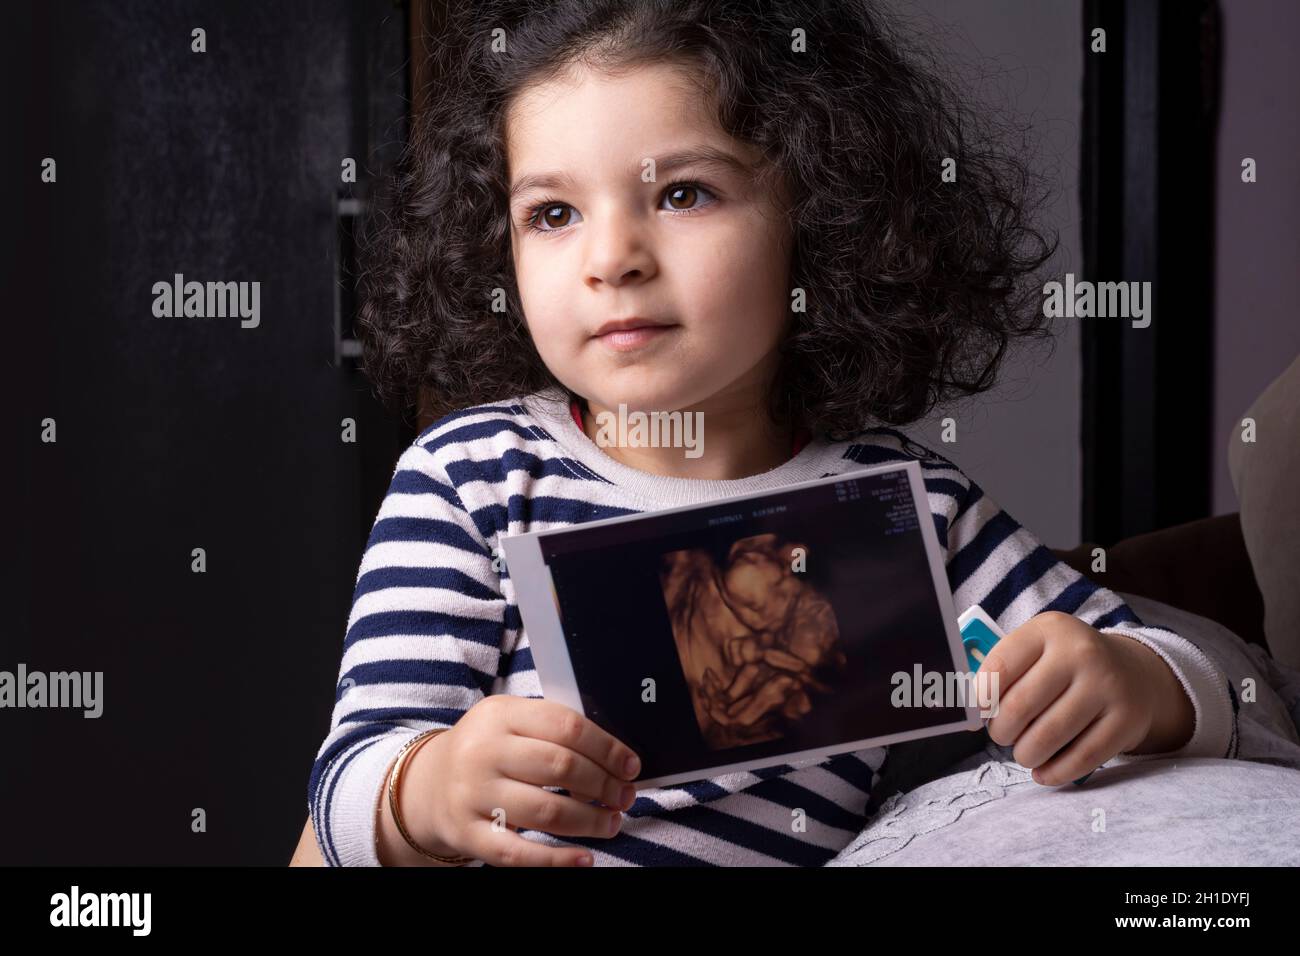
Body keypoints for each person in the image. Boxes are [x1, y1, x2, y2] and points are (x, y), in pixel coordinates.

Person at [306, 0, 1239, 867]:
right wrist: (427, 787)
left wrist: (1134, 683)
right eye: (552, 214)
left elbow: (1195, 680)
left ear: (822, 212)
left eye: (683, 195)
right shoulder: (470, 479)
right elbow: (348, 781)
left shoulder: (903, 508)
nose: (612, 258)